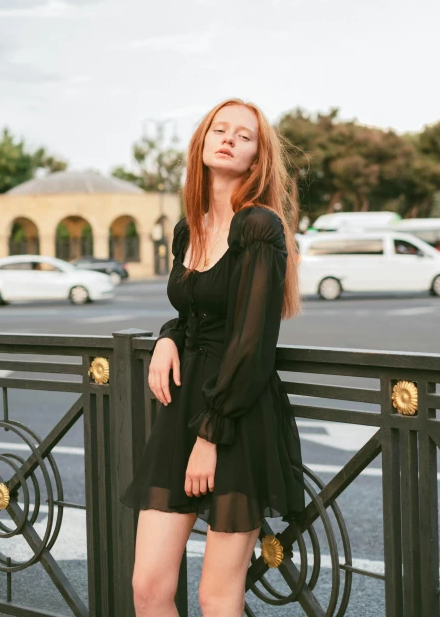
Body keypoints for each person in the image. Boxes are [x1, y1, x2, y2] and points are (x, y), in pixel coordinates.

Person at [120, 98, 305, 616]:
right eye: (218, 130)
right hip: (180, 414)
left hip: (235, 417)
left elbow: (251, 343)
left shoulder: (259, 227)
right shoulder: (189, 228)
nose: (228, 139)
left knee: (216, 597)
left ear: (257, 158)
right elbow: (194, 309)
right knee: (149, 588)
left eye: (243, 136)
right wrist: (166, 337)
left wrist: (210, 435)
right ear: (201, 145)